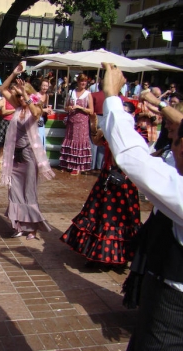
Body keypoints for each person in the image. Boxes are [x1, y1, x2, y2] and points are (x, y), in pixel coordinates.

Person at [99, 61, 183, 351]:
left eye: (176, 140)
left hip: (173, 309)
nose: (172, 145)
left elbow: (135, 159)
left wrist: (111, 96)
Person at [60, 100, 141, 270]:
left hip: (125, 182)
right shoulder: (111, 132)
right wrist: (94, 124)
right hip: (107, 179)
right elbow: (96, 140)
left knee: (121, 220)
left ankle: (120, 257)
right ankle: (98, 256)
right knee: (101, 216)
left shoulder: (136, 136)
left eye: (126, 112)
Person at [0, 64, 54, 239]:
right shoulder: (18, 107)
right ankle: (18, 225)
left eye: (23, 97)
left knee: (28, 191)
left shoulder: (34, 109)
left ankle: (32, 228)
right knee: (14, 190)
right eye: (19, 97)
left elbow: (36, 113)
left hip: (30, 155)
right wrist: (14, 73)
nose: (20, 99)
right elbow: (2, 88)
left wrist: (25, 93)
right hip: (16, 156)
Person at [60, 73, 94, 175]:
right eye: (81, 81)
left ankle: (78, 166)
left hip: (82, 123)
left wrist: (80, 107)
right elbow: (65, 107)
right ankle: (67, 164)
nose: (83, 83)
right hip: (72, 121)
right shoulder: (71, 92)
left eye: (85, 81)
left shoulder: (88, 94)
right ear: (78, 82)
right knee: (70, 140)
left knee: (79, 142)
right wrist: (69, 108)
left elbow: (91, 110)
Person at [0, 83, 16, 171]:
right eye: (12, 89)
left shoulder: (17, 100)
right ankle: (0, 162)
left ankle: (9, 162)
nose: (13, 91)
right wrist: (14, 110)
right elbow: (3, 112)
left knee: (12, 144)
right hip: (5, 122)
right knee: (2, 143)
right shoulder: (5, 98)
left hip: (14, 123)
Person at [35, 79, 52, 151]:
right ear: (40, 86)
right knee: (38, 136)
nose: (45, 87)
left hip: (43, 118)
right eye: (43, 85)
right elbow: (34, 109)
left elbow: (46, 107)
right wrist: (43, 110)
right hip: (36, 119)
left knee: (41, 136)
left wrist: (49, 110)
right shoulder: (36, 95)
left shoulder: (47, 96)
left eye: (46, 86)